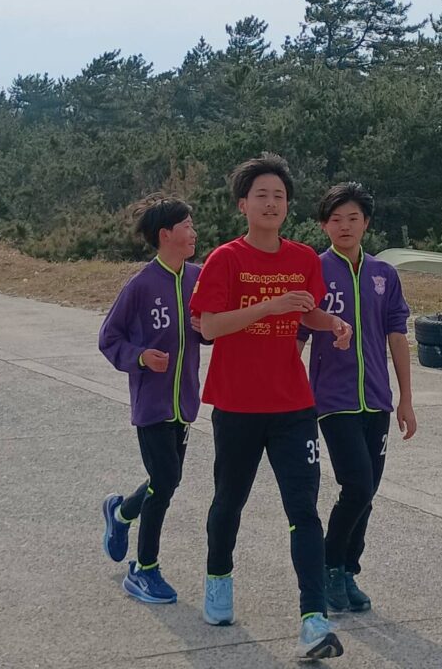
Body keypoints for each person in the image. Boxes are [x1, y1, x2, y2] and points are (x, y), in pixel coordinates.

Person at [190, 154, 351, 661]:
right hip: (237, 404)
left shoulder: (303, 259)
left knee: (303, 509)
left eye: (279, 196)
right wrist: (271, 305)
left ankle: (313, 619)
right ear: (243, 204)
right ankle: (218, 579)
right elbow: (209, 326)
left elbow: (308, 311)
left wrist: (333, 324)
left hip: (293, 405)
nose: (271, 203)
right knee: (229, 501)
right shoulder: (225, 259)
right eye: (261, 195)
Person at [299, 182, 417, 614]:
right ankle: (329, 566)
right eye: (335, 219)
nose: (344, 226)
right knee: (358, 485)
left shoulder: (384, 274)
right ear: (323, 225)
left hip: (378, 400)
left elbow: (397, 336)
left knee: (369, 490)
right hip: (333, 400)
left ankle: (347, 570)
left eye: (353, 218)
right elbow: (297, 337)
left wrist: (405, 399)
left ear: (366, 223)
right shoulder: (313, 270)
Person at [99, 197, 201, 605]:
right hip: (152, 406)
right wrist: (140, 357)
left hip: (185, 403)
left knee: (168, 479)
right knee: (165, 479)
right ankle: (144, 569)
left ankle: (121, 512)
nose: (194, 233)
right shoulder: (140, 285)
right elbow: (109, 338)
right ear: (165, 234)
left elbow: (206, 329)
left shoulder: (198, 278)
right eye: (187, 226)